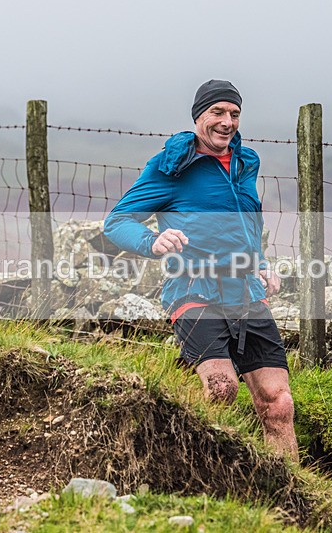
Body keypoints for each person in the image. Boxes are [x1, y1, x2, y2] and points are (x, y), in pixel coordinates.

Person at [104, 80, 298, 460]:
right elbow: (117, 222)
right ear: (199, 117)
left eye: (235, 114)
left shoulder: (246, 162)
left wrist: (260, 264)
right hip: (194, 290)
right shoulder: (171, 167)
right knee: (222, 391)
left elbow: (247, 223)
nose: (227, 122)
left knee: (279, 404)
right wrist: (151, 242)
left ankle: (288, 503)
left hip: (245, 292)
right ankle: (210, 490)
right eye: (218, 113)